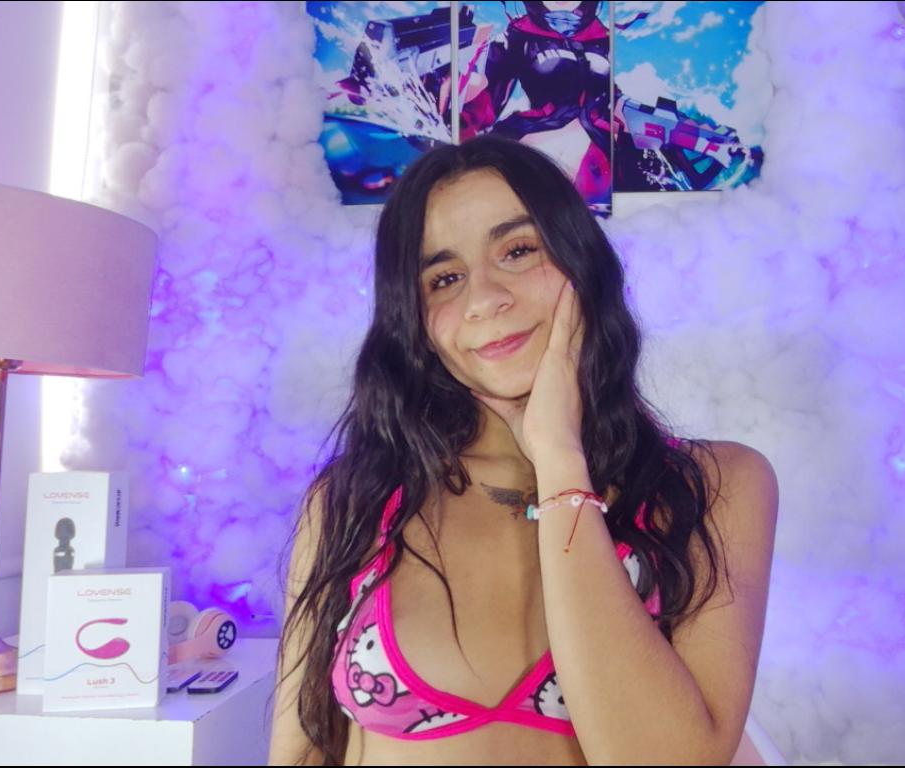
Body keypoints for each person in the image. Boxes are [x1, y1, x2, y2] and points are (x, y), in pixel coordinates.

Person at [269, 134, 778, 765]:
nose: (484, 299)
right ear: (415, 322)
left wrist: (559, 459)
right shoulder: (354, 500)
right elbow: (299, 755)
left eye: (517, 250)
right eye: (444, 278)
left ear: (581, 264)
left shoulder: (718, 485)